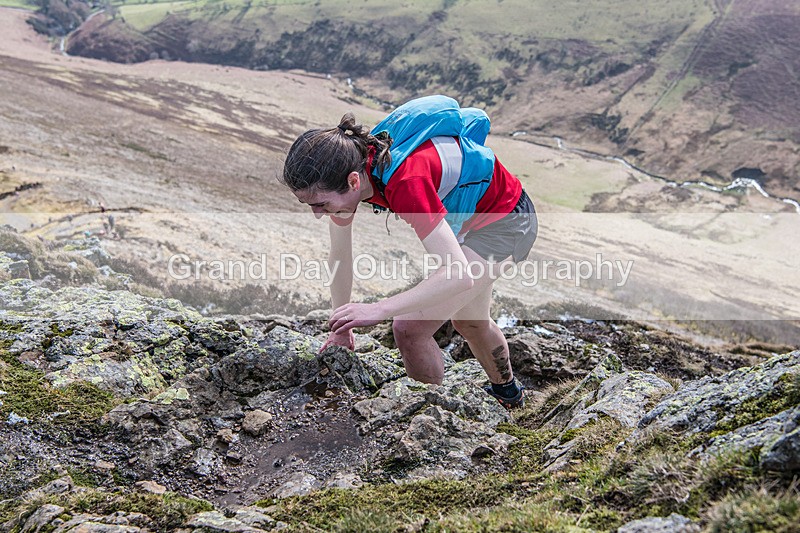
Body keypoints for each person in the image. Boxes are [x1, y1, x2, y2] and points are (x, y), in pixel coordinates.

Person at [281, 96, 537, 408]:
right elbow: (340, 257)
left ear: (352, 181)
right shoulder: (355, 165)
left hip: (507, 224)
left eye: (320, 204)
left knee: (408, 328)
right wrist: (341, 329)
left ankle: (429, 417)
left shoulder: (406, 180)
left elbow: (458, 276)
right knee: (470, 322)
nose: (318, 214)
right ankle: (510, 396)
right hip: (478, 218)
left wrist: (379, 309)